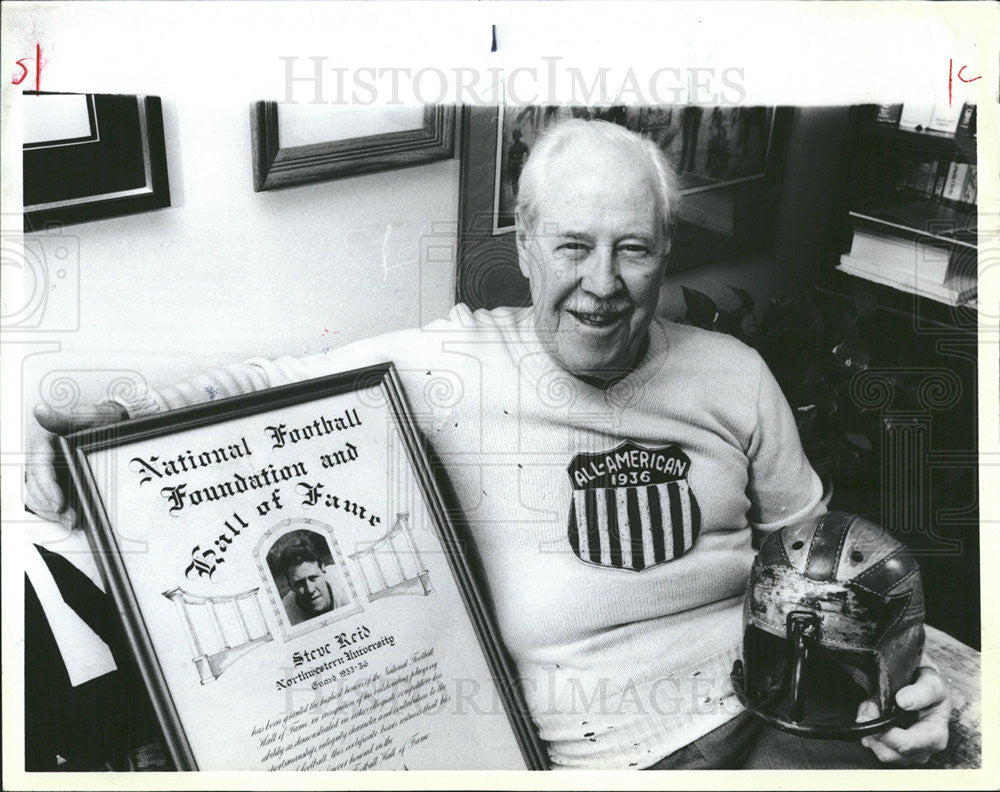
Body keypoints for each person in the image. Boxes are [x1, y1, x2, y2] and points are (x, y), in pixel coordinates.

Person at [26, 118, 950, 770]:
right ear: (527, 247)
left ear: (668, 248)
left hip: (767, 710)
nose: (602, 283)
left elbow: (825, 559)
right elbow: (260, 393)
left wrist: (897, 702)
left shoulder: (734, 371)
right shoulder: (444, 364)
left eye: (633, 248)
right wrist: (101, 425)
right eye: (573, 245)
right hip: (597, 754)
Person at [276, 538, 342, 625]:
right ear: (290, 585)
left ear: (323, 570)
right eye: (299, 583)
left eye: (313, 578)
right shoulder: (286, 617)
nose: (310, 590)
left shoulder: (345, 580)